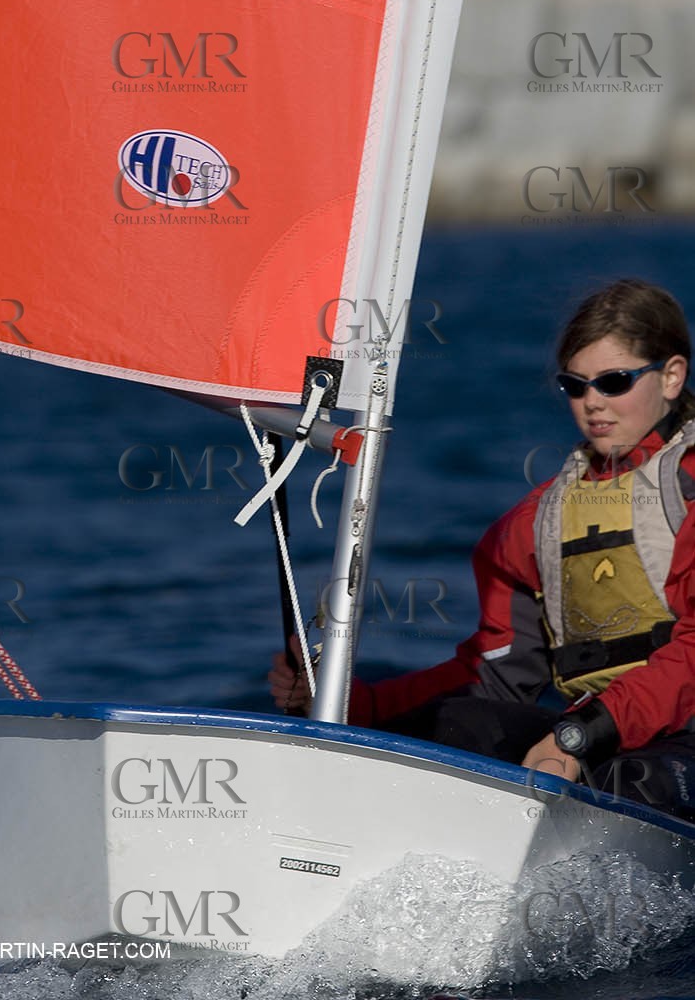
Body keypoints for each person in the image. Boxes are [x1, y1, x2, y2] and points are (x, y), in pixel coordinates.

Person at [268, 278, 695, 820]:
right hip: (597, 736)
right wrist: (351, 702)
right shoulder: (531, 526)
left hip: (651, 746)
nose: (593, 404)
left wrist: (578, 736)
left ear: (672, 376)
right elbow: (494, 676)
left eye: (613, 382)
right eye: (575, 386)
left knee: (610, 778)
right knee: (457, 728)